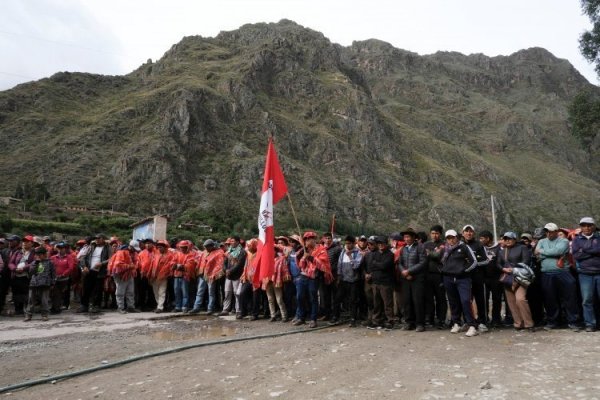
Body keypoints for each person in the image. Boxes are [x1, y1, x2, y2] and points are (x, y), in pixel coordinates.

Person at [535, 223, 580, 331]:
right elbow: (536, 254)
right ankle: (553, 321)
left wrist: (543, 252)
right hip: (546, 273)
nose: (549, 233)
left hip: (563, 272)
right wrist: (550, 254)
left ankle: (573, 322)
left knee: (569, 298)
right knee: (550, 299)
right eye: (547, 231)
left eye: (551, 231)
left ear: (556, 231)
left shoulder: (563, 241)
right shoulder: (541, 241)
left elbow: (558, 251)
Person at [440, 230, 479, 337]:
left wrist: (464, 270)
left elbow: (474, 261)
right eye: (448, 238)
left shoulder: (464, 247)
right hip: (448, 278)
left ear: (457, 237)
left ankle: (472, 325)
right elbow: (440, 262)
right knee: (453, 302)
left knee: (466, 300)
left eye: (453, 237)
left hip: (463, 279)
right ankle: (456, 322)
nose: (451, 240)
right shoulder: (445, 249)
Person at [497, 231, 534, 332]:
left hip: (520, 278)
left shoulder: (522, 248)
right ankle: (518, 323)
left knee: (520, 299)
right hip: (507, 279)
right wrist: (503, 269)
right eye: (505, 239)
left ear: (514, 239)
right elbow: (499, 264)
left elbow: (526, 261)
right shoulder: (502, 251)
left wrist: (514, 269)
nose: (507, 240)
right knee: (511, 302)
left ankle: (528, 324)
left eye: (509, 238)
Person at [295, 231, 332, 328]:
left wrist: (310, 257)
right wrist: (302, 257)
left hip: (314, 277)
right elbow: (300, 265)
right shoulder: (304, 250)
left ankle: (313, 319)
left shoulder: (321, 249)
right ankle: (301, 317)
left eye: (310, 238)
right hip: (303, 276)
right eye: (306, 239)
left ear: (315, 239)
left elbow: (323, 265)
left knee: (313, 298)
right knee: (299, 297)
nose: (308, 240)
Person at [571, 217, 600, 332]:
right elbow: (576, 256)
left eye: (589, 225)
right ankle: (590, 323)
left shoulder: (599, 238)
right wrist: (594, 251)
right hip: (585, 273)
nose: (586, 228)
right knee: (587, 300)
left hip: (599, 272)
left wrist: (584, 250)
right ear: (581, 227)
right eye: (584, 225)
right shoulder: (576, 240)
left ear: (593, 226)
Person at [397, 228, 427, 332]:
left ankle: (420, 324)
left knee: (418, 301)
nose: (406, 239)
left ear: (414, 237)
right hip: (406, 278)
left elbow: (422, 262)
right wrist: (404, 272)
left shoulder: (420, 247)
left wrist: (409, 271)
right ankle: (409, 323)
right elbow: (399, 263)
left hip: (417, 278)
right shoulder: (403, 249)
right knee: (407, 301)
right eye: (405, 237)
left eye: (408, 236)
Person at [461, 225, 490, 333]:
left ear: (474, 233)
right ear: (463, 233)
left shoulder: (479, 245)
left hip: (478, 277)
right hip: (464, 277)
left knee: (480, 300)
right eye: (466, 231)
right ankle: (468, 322)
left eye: (471, 231)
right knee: (466, 300)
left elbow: (486, 260)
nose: (469, 233)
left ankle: (482, 321)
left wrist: (473, 263)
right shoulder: (460, 245)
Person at [366, 236, 396, 330]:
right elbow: (371, 265)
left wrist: (377, 264)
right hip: (375, 282)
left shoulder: (390, 254)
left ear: (386, 244)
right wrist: (379, 265)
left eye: (382, 243)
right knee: (377, 303)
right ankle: (376, 321)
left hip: (386, 283)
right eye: (378, 243)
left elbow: (385, 266)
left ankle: (390, 321)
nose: (380, 245)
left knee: (388, 304)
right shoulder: (375, 254)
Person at [332, 235, 363, 327]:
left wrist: (350, 257)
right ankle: (335, 317)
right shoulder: (342, 252)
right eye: (346, 243)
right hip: (343, 280)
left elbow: (356, 266)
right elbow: (339, 265)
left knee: (353, 300)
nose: (347, 245)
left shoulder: (358, 253)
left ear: (354, 244)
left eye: (349, 243)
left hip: (353, 280)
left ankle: (353, 319)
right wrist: (339, 276)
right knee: (337, 299)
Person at [78, 234, 113, 313]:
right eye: (96, 239)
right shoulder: (91, 247)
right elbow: (83, 257)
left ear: (103, 239)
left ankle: (96, 306)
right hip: (89, 270)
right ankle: (84, 306)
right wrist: (84, 267)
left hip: (100, 271)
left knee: (98, 290)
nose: (97, 240)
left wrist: (101, 263)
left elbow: (111, 258)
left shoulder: (108, 247)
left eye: (99, 238)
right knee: (86, 288)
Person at [424, 225, 447, 329]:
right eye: (433, 233)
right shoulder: (425, 244)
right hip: (427, 275)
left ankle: (441, 320)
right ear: (430, 234)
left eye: (437, 233)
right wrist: (432, 254)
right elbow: (423, 257)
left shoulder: (444, 244)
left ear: (440, 234)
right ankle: (430, 319)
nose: (434, 235)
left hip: (440, 275)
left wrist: (430, 254)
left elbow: (439, 256)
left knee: (441, 298)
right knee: (429, 298)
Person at [108, 240, 141, 313]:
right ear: (130, 246)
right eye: (134, 248)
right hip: (120, 274)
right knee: (120, 291)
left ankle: (130, 307)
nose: (135, 250)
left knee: (130, 291)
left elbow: (136, 262)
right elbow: (118, 265)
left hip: (129, 274)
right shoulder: (121, 252)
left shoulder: (134, 253)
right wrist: (129, 266)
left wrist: (133, 266)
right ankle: (120, 308)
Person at [24, 246, 56, 322]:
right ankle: (29, 315)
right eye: (37, 254)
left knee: (44, 300)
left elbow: (53, 274)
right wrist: (36, 264)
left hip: (45, 284)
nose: (38, 256)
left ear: (45, 254)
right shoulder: (34, 262)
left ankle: (44, 314)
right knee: (31, 300)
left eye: (40, 254)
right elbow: (31, 273)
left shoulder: (49, 262)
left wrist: (52, 283)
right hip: (34, 284)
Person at [479, 230, 502, 327]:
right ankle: (484, 319)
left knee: (496, 299)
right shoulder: (480, 248)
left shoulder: (499, 248)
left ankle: (496, 319)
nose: (480, 240)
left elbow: (501, 262)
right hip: (484, 278)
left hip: (496, 278)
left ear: (488, 239)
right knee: (484, 299)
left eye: (482, 238)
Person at [9, 235, 35, 316]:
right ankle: (18, 309)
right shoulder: (18, 252)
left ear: (32, 243)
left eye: (27, 242)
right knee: (16, 293)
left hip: (26, 277)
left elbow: (34, 263)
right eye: (24, 241)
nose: (25, 243)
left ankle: (27, 310)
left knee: (26, 294)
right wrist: (14, 269)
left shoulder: (34, 253)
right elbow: (11, 263)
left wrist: (23, 268)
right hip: (16, 276)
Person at [220, 236, 247, 316]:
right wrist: (225, 270)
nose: (231, 243)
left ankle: (238, 311)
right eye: (230, 241)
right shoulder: (229, 251)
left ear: (238, 242)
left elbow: (240, 264)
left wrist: (230, 271)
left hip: (237, 275)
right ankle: (225, 309)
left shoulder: (242, 252)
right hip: (228, 276)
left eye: (232, 241)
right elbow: (224, 262)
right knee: (227, 293)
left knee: (236, 294)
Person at [318, 232, 341, 321]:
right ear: (323, 239)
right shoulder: (320, 249)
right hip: (323, 276)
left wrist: (339, 276)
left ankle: (335, 315)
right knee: (325, 296)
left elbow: (340, 263)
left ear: (331, 239)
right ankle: (327, 314)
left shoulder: (337, 249)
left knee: (335, 296)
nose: (327, 240)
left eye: (329, 238)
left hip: (334, 275)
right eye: (326, 238)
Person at [147, 240, 175, 313]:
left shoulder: (170, 256)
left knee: (162, 292)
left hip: (163, 277)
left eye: (161, 247)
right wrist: (149, 275)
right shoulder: (156, 255)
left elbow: (170, 267)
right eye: (158, 247)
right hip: (154, 277)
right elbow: (151, 266)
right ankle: (159, 306)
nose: (159, 249)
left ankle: (160, 307)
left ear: (165, 247)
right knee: (156, 292)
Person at [201, 239, 226, 315]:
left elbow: (220, 263)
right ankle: (214, 306)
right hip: (207, 275)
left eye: (207, 247)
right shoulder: (208, 253)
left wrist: (216, 273)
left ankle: (211, 308)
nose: (206, 249)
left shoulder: (219, 252)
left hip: (218, 275)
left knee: (215, 292)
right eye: (205, 247)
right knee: (211, 292)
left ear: (211, 246)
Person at [50, 242, 76, 314]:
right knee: (54, 293)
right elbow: (50, 267)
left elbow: (70, 268)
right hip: (54, 279)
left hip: (64, 279)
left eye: (62, 248)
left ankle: (56, 308)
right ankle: (55, 307)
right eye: (59, 248)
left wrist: (63, 274)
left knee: (58, 293)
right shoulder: (53, 257)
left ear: (65, 249)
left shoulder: (69, 257)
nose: (60, 250)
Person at [172, 240, 197, 312]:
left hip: (185, 276)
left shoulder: (191, 255)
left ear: (187, 247)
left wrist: (180, 266)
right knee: (177, 291)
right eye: (181, 247)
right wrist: (177, 266)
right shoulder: (177, 254)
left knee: (185, 292)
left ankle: (185, 306)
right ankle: (178, 306)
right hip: (177, 275)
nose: (182, 248)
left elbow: (190, 265)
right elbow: (173, 263)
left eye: (184, 247)